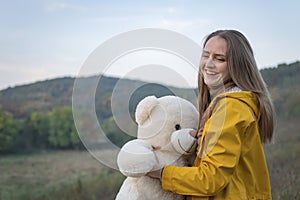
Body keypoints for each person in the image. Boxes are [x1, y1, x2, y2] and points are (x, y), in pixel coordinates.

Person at [148, 29, 276, 199]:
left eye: (219, 59)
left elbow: (210, 179)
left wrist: (158, 171)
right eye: (206, 55)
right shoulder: (233, 104)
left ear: (237, 65)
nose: (208, 64)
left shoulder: (232, 108)